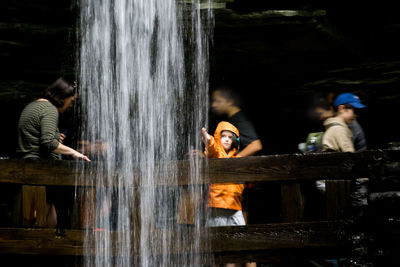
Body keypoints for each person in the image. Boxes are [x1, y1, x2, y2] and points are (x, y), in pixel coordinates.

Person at [16, 77, 90, 227]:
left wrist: (56, 138)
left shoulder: (33, 106)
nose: (70, 105)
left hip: (29, 166)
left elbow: (36, 137)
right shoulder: (50, 110)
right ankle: (49, 245)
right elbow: (48, 142)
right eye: (71, 100)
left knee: (37, 213)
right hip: (41, 169)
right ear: (62, 97)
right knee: (46, 215)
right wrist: (74, 153)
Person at [202, 121, 256, 267]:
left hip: (234, 207)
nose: (226, 139)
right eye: (223, 135)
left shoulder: (235, 157)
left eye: (230, 137)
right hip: (217, 207)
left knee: (244, 244)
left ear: (234, 141)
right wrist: (208, 139)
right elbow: (212, 147)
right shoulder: (215, 153)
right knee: (216, 245)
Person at [211, 86, 262, 157]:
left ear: (230, 102)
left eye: (218, 101)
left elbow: (256, 145)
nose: (213, 105)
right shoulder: (231, 119)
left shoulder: (240, 120)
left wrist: (233, 161)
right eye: (213, 101)